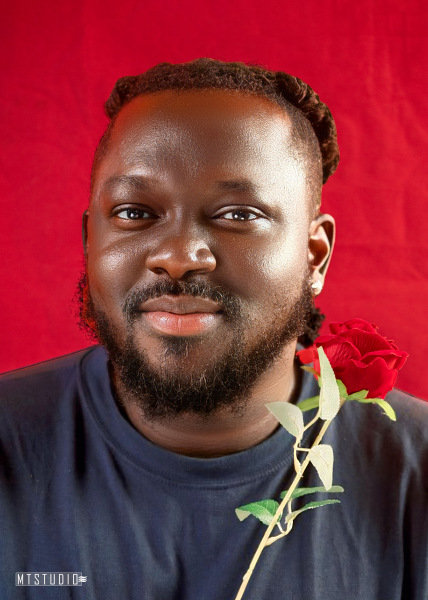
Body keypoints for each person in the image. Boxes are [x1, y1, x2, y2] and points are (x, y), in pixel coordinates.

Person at [0, 59, 427, 600]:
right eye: (134, 212)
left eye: (239, 215)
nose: (178, 257)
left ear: (314, 255)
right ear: (90, 241)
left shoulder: (415, 475)